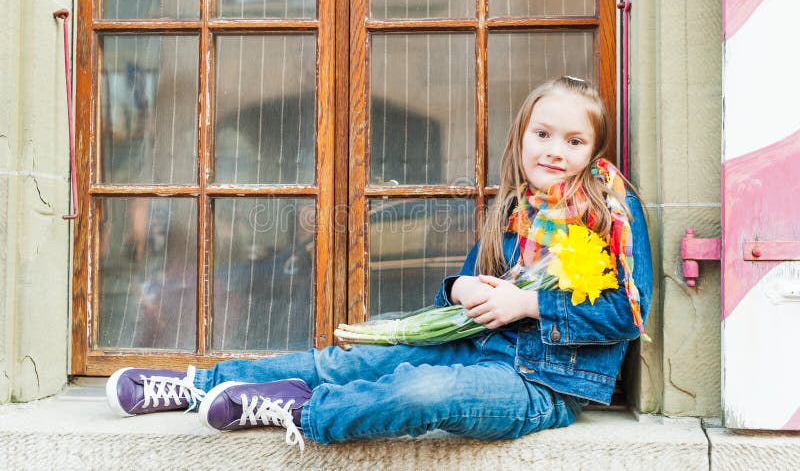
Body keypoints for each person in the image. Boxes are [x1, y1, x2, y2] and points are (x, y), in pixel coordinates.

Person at [106, 76, 653, 450]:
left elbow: (629, 314)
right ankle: (194, 386)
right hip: (467, 345)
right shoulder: (514, 210)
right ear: (522, 137)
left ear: (595, 151)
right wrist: (460, 290)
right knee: (347, 362)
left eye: (574, 141)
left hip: (541, 385)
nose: (555, 150)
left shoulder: (610, 212)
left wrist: (526, 302)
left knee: (424, 393)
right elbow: (466, 287)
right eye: (543, 134)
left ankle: (298, 409)